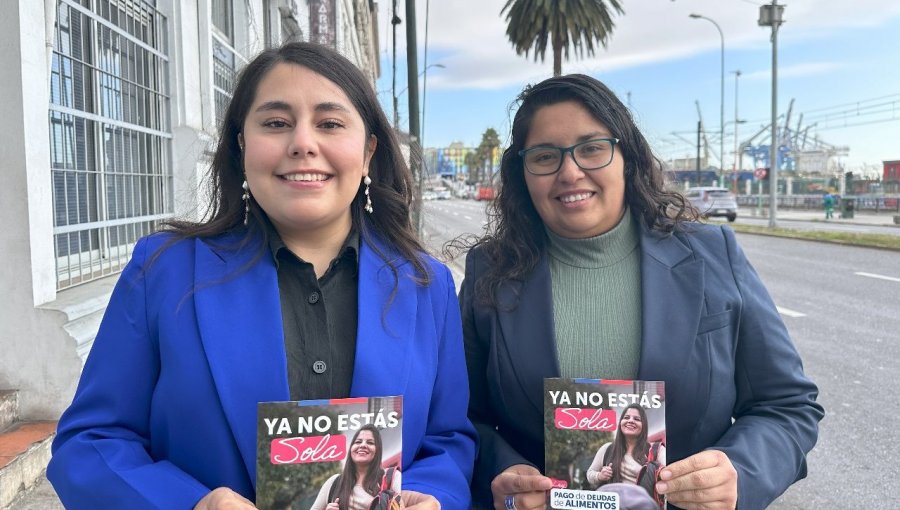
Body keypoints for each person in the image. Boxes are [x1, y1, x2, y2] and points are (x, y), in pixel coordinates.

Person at [47, 42, 476, 510]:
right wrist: (191, 505)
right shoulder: (163, 272)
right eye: (276, 123)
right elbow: (88, 445)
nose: (303, 143)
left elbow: (448, 440)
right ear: (241, 144)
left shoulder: (425, 285)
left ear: (369, 150)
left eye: (330, 123)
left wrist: (434, 498)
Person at [457, 74, 824, 510]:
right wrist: (502, 473)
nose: (570, 171)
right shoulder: (490, 272)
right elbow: (461, 419)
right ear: (523, 172)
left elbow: (788, 405)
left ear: (625, 156)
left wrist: (739, 472)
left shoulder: (711, 255)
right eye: (544, 156)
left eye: (592, 148)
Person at [310, 425, 402, 510]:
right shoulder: (334, 483)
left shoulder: (392, 477)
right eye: (358, 442)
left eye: (370, 442)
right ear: (351, 448)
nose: (362, 445)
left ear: (377, 450)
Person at [585, 405, 665, 490]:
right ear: (620, 423)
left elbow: (670, 471)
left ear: (644, 425)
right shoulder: (607, 449)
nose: (630, 421)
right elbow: (590, 474)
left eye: (637, 419)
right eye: (626, 417)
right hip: (614, 502)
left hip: (641, 502)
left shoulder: (655, 450)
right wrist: (600, 476)